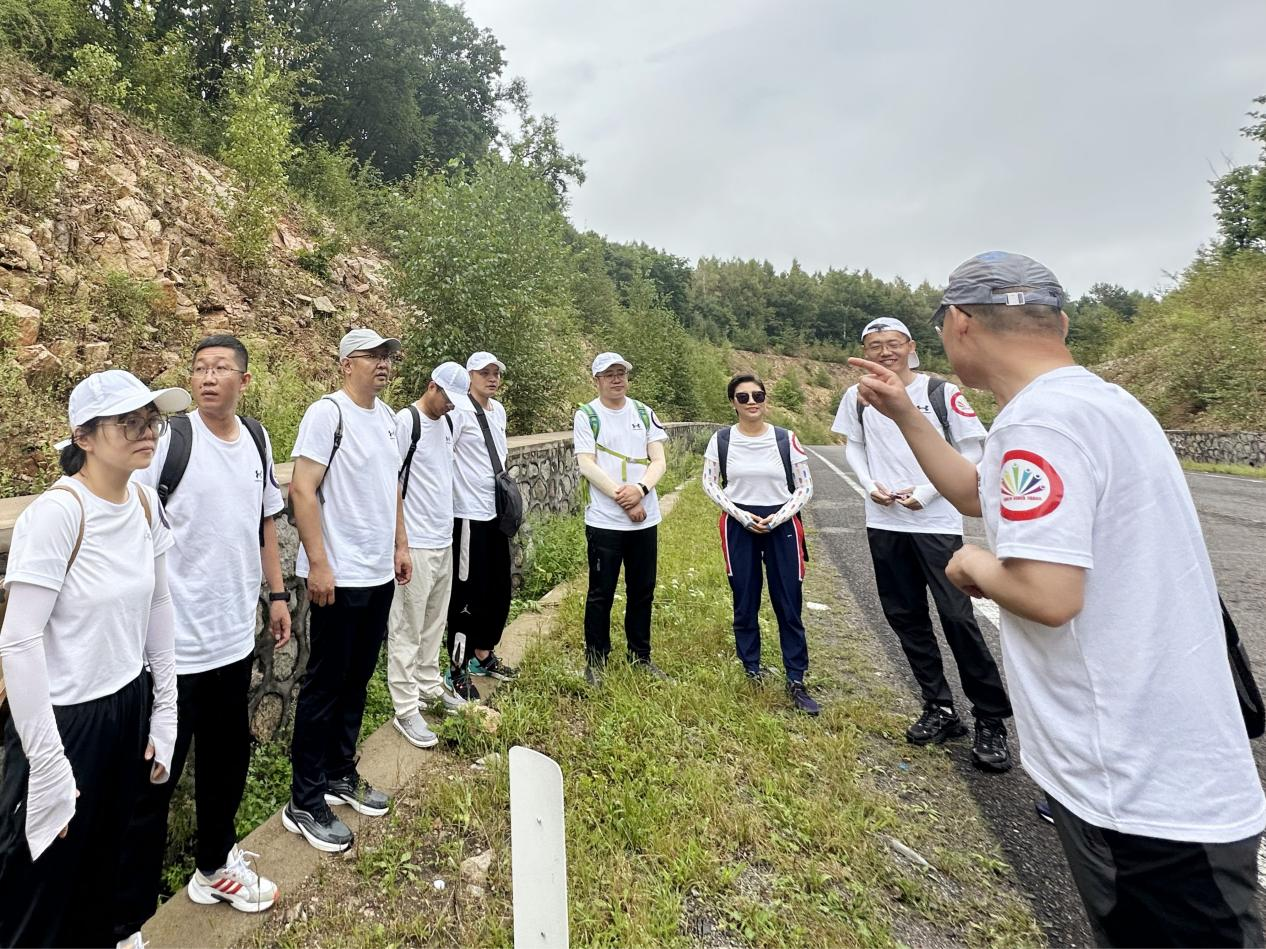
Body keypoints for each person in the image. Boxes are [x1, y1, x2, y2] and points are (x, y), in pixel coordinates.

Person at [851, 250, 1266, 948]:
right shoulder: (1102, 403)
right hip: (1175, 757)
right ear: (1062, 323)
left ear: (959, 324)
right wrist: (903, 412)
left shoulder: (1036, 424)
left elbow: (1047, 594)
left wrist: (974, 564)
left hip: (1133, 782)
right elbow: (975, 492)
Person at [0, 370, 188, 948]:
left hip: (125, 700)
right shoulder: (58, 514)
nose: (146, 432)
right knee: (39, 882)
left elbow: (159, 603)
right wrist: (48, 763)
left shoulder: (144, 502)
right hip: (65, 717)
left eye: (151, 421)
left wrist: (165, 709)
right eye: (128, 422)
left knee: (105, 860)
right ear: (83, 437)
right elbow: (19, 640)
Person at [113, 336, 287, 930]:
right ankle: (126, 924)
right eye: (199, 368)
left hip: (233, 641)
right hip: (170, 651)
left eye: (221, 368)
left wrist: (278, 595)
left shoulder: (257, 439)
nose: (208, 377)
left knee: (225, 765)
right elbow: (126, 510)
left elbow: (265, 521)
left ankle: (213, 867)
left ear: (244, 380)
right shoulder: (171, 440)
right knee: (151, 787)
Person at [832, 317, 1013, 772]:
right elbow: (854, 446)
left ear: (910, 346)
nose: (884, 352)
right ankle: (939, 706)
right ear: (865, 351)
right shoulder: (858, 396)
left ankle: (990, 718)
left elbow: (973, 450)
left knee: (957, 617)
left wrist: (930, 492)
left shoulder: (940, 392)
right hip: (884, 521)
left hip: (936, 521)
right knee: (905, 617)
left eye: (893, 343)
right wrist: (868, 484)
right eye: (875, 345)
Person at [284, 329, 412, 853]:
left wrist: (400, 544)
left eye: (387, 356)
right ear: (345, 364)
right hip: (338, 577)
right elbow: (302, 489)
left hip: (377, 574)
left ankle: (339, 772)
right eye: (372, 356)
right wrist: (319, 563)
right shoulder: (327, 414)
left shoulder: (388, 419)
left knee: (357, 680)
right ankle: (304, 798)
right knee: (325, 685)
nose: (383, 364)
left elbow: (392, 487)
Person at [702, 373, 819, 715]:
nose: (752, 402)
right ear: (733, 403)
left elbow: (805, 486)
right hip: (739, 525)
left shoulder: (786, 438)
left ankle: (795, 678)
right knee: (745, 599)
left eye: (758, 395)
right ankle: (751, 668)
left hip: (782, 525)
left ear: (766, 400)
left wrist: (779, 517)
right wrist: (741, 516)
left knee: (788, 602)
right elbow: (710, 483)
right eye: (743, 397)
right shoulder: (722, 440)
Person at [388, 362, 474, 748]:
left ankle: (428, 683)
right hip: (416, 542)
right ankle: (405, 707)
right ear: (432, 386)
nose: (450, 406)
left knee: (435, 621)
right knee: (406, 625)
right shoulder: (407, 422)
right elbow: (392, 483)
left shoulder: (449, 423)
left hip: (443, 539)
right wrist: (400, 543)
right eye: (447, 399)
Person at [573, 352, 670, 686]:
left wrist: (640, 490)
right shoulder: (587, 415)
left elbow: (658, 461)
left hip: (645, 518)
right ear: (597, 380)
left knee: (642, 590)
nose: (616, 379)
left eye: (621, 373)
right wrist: (625, 499)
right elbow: (587, 464)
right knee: (601, 592)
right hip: (605, 521)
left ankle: (640, 656)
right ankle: (596, 661)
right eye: (609, 374)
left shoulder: (644, 412)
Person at [445, 352, 517, 701]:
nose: (492, 378)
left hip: (495, 515)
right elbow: (444, 455)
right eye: (484, 372)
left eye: (496, 373)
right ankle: (456, 667)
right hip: (468, 515)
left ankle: (483, 654)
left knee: (498, 588)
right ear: (470, 375)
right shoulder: (458, 411)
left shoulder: (498, 411)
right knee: (467, 594)